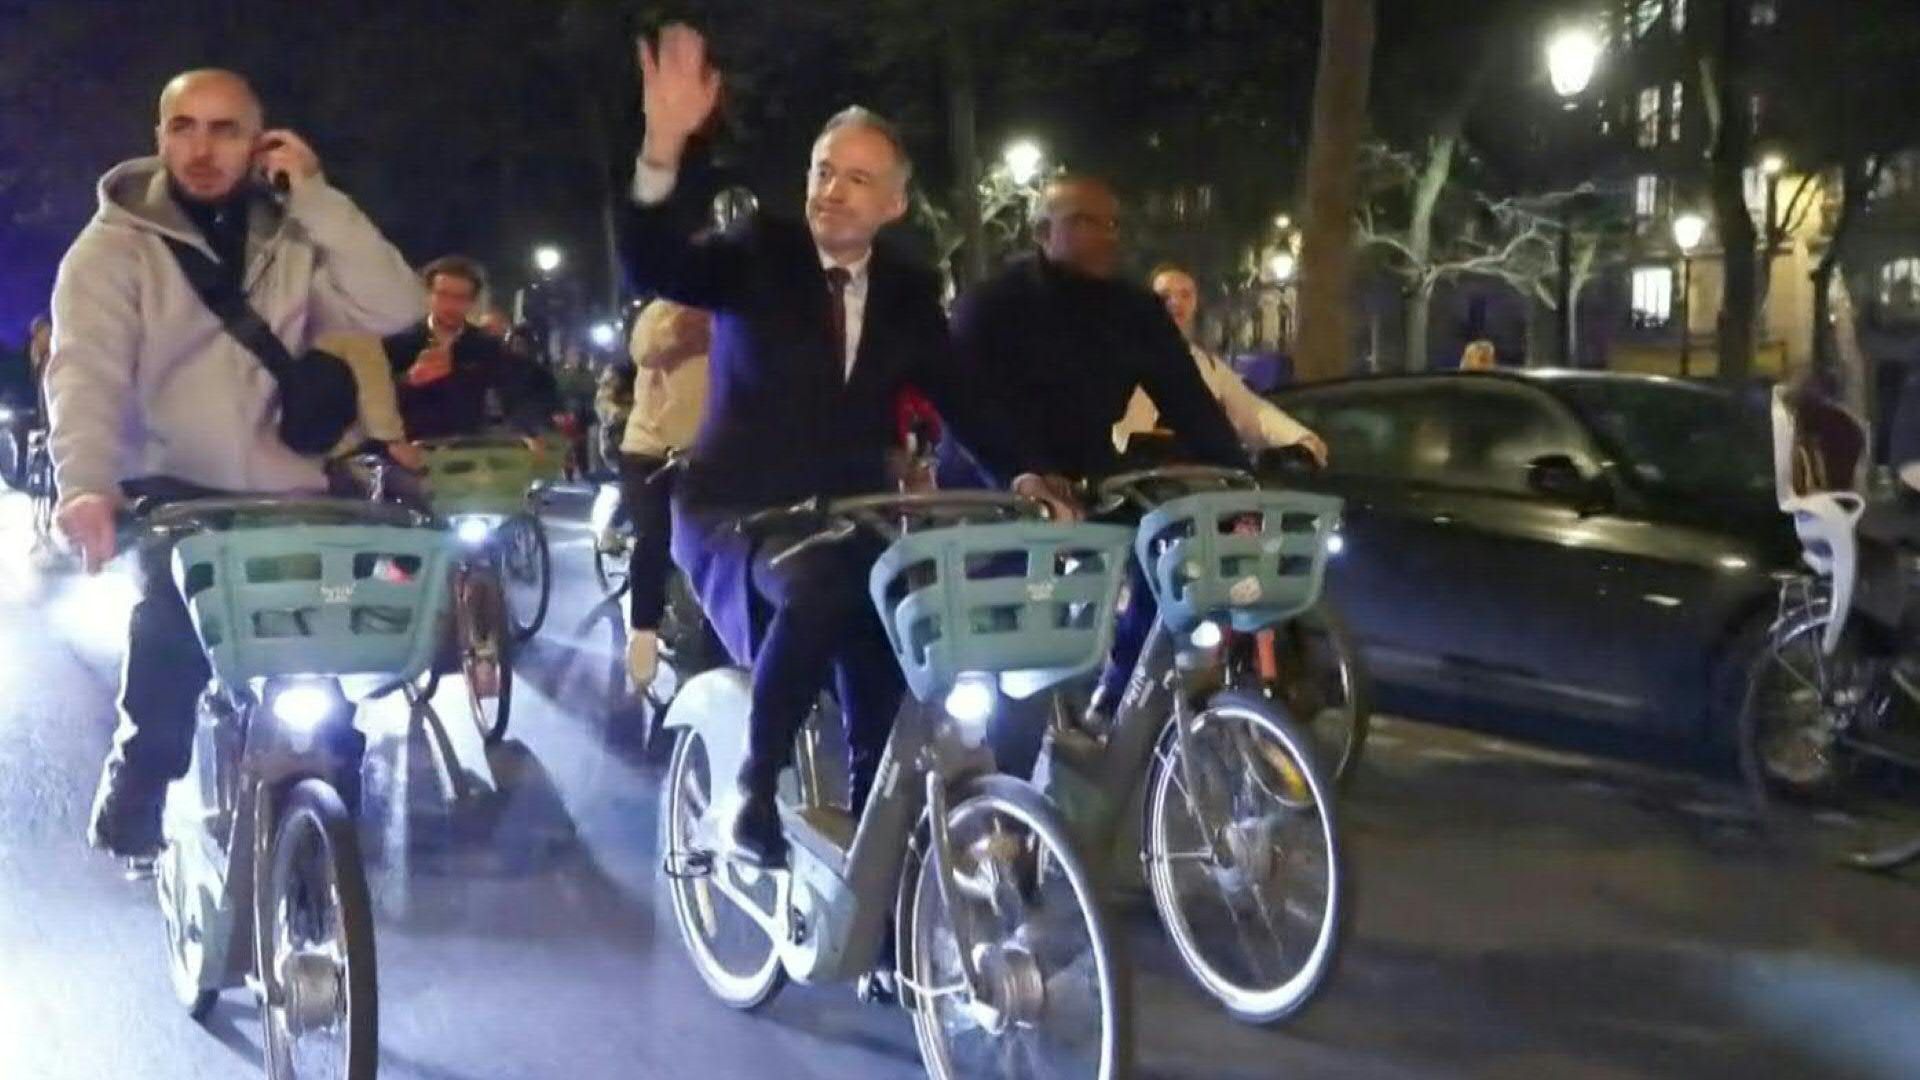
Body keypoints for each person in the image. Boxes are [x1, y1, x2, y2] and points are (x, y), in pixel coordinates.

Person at [625, 25, 1070, 869]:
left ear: (893, 204)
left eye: (858, 178)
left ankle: (879, 881)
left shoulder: (905, 289)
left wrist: (1025, 472)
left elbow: (961, 394)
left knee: (890, 652)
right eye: (825, 171)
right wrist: (663, 145)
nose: (832, 190)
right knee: (826, 585)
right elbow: (654, 265)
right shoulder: (761, 252)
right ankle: (754, 790)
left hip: (848, 512)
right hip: (737, 509)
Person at [48, 69, 422, 858]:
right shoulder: (114, 248)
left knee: (320, 658)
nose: (202, 148)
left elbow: (397, 307)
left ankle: (320, 847)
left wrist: (317, 197)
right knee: (171, 630)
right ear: (159, 138)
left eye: (225, 129)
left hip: (289, 489)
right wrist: (85, 485)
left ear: (260, 144)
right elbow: (87, 370)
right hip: (174, 486)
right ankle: (142, 772)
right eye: (183, 127)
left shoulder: (293, 233)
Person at [936, 176, 1245, 725]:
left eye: (1110, 224)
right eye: (1082, 221)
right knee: (1007, 640)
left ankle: (1118, 698)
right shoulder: (991, 307)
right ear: (1041, 231)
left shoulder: (1134, 310)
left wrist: (1240, 482)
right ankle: (990, 747)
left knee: (1169, 556)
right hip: (994, 485)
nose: (1103, 236)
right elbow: (972, 412)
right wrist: (1026, 473)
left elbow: (1188, 400)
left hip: (1088, 479)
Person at [1114, 264, 1326, 464]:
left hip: (1186, 483)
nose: (1175, 303)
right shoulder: (1124, 354)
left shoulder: (1208, 365)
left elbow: (1252, 411)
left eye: (1185, 295)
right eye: (1164, 296)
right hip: (1127, 479)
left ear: (1195, 303)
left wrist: (1302, 442)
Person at [612, 298, 711, 686]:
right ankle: (643, 630)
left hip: (718, 451)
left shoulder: (747, 307)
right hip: (652, 450)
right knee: (654, 536)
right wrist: (690, 321)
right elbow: (646, 350)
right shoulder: (662, 312)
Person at [382, 255, 555, 442]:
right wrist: (410, 381)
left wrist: (528, 428)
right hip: (413, 450)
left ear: (472, 301)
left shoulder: (486, 347)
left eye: (460, 298)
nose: (450, 305)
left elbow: (520, 390)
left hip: (469, 452)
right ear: (429, 294)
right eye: (442, 294)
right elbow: (376, 400)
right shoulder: (399, 343)